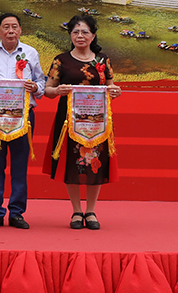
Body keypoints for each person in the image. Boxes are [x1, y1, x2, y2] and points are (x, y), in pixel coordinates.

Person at [42, 15, 122, 230]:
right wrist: (57, 91)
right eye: (76, 32)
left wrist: (116, 91)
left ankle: (91, 211)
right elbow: (47, 90)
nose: (80, 36)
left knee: (96, 162)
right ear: (70, 35)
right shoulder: (61, 60)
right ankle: (77, 211)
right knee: (72, 162)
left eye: (85, 32)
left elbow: (112, 87)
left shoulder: (103, 60)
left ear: (93, 35)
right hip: (69, 121)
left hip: (97, 121)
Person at [0, 13, 45, 229]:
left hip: (22, 118)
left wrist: (35, 87)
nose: (10, 30)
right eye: (5, 27)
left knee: (19, 166)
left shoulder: (31, 53)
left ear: (20, 30)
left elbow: (41, 82)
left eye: (14, 26)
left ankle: (16, 213)